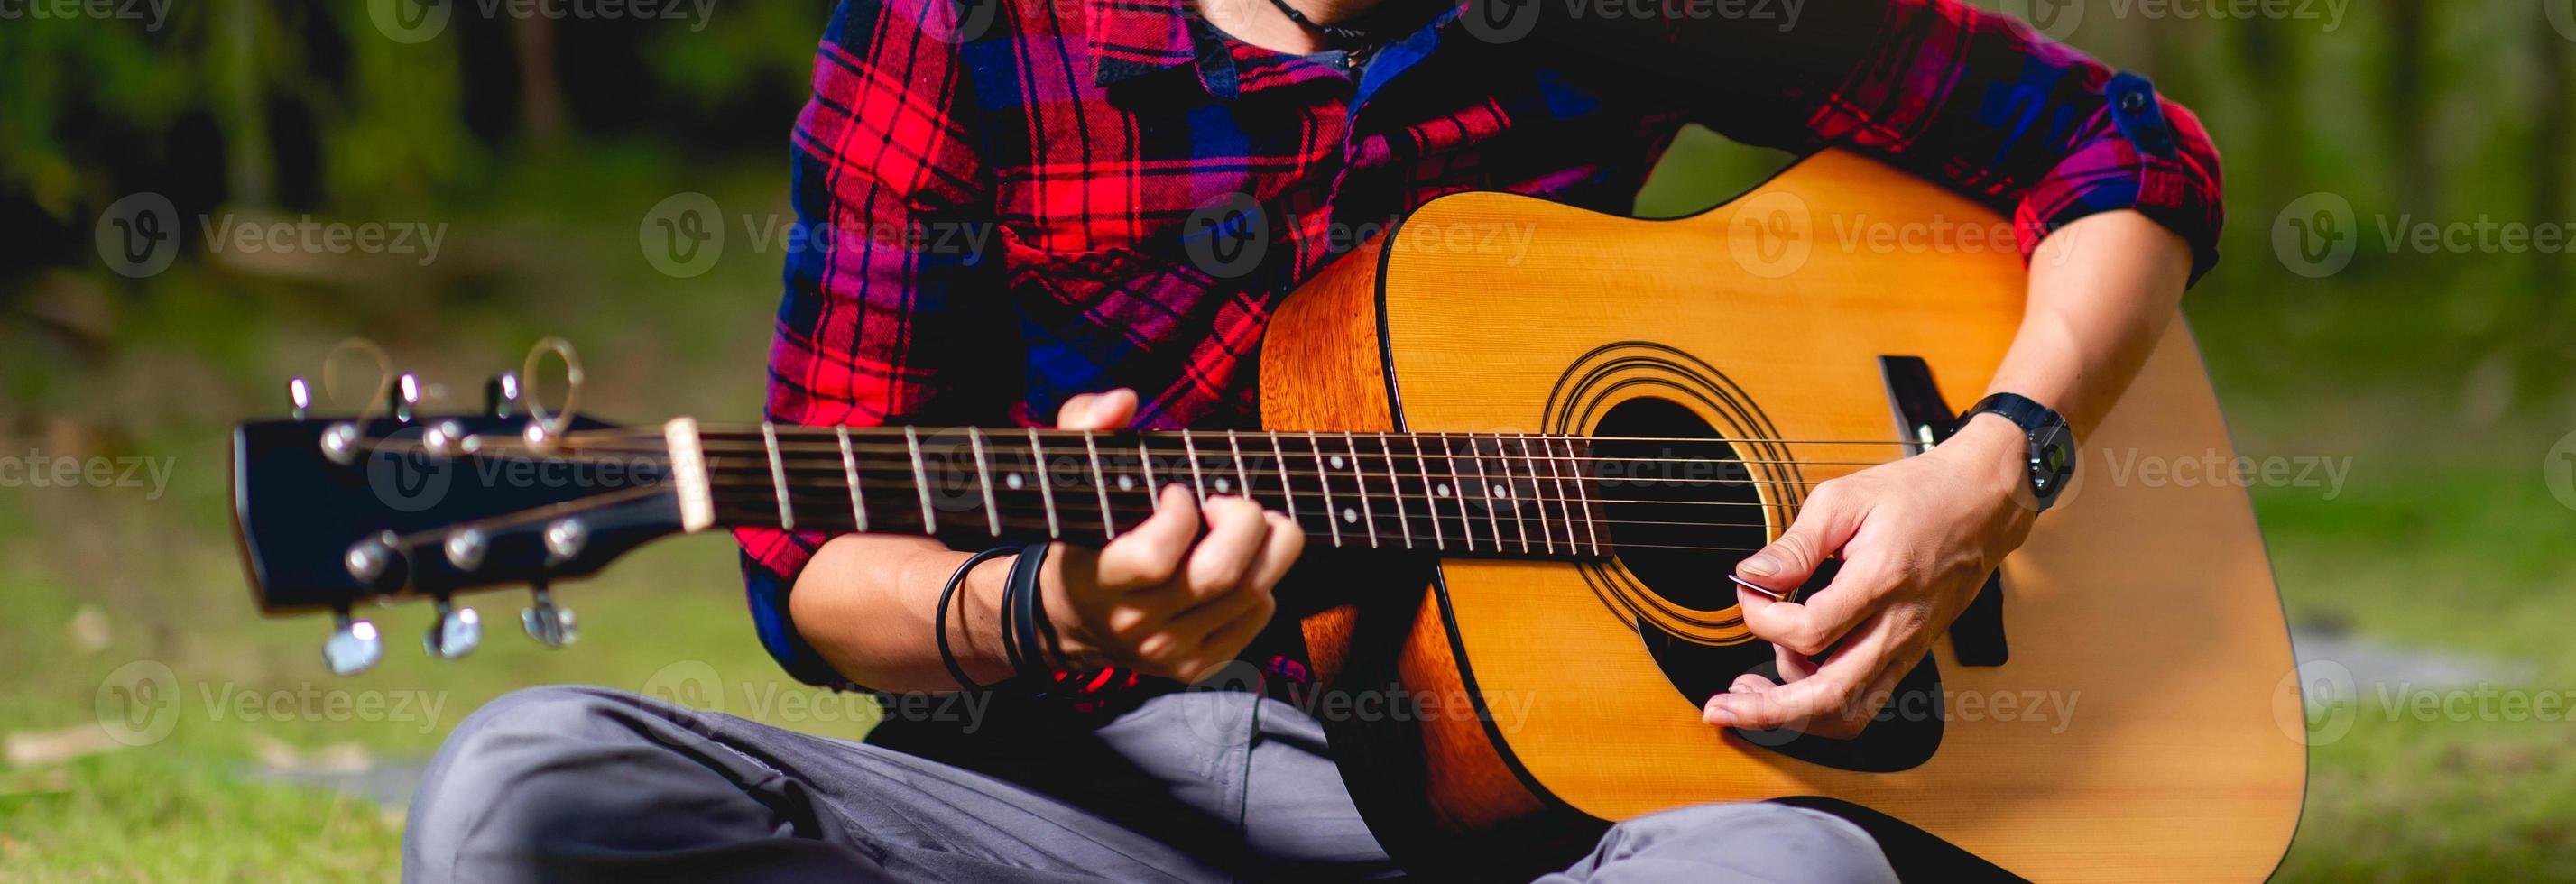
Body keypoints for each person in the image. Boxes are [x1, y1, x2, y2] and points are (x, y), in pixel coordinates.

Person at [406, 0, 2221, 879]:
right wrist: (1050, 606)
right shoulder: (957, 26)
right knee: (533, 787)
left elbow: (2124, 151)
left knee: (1788, 873)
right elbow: (812, 568)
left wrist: (1994, 463)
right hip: (1103, 812)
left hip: (1556, 835)